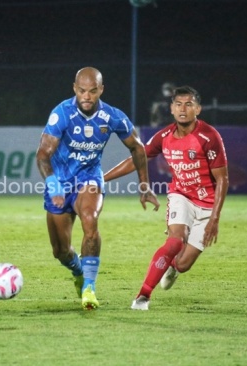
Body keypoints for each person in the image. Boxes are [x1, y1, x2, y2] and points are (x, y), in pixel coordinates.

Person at [36, 67, 160, 310]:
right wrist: (53, 184)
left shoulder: (112, 116)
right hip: (60, 183)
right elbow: (42, 154)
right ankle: (79, 272)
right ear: (74, 88)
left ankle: (89, 288)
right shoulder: (62, 113)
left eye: (93, 91)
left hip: (89, 179)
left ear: (101, 90)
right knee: (60, 251)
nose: (87, 96)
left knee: (90, 220)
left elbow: (137, 148)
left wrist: (144, 184)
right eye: (82, 91)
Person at [104, 85, 228, 310]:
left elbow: (223, 180)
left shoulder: (209, 137)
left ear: (197, 109)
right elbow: (137, 158)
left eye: (189, 104)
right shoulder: (164, 136)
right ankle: (143, 296)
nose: (183, 109)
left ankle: (173, 267)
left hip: (208, 205)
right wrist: (102, 179)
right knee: (174, 241)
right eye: (178, 104)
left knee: (183, 263)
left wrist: (215, 219)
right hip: (181, 196)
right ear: (171, 109)